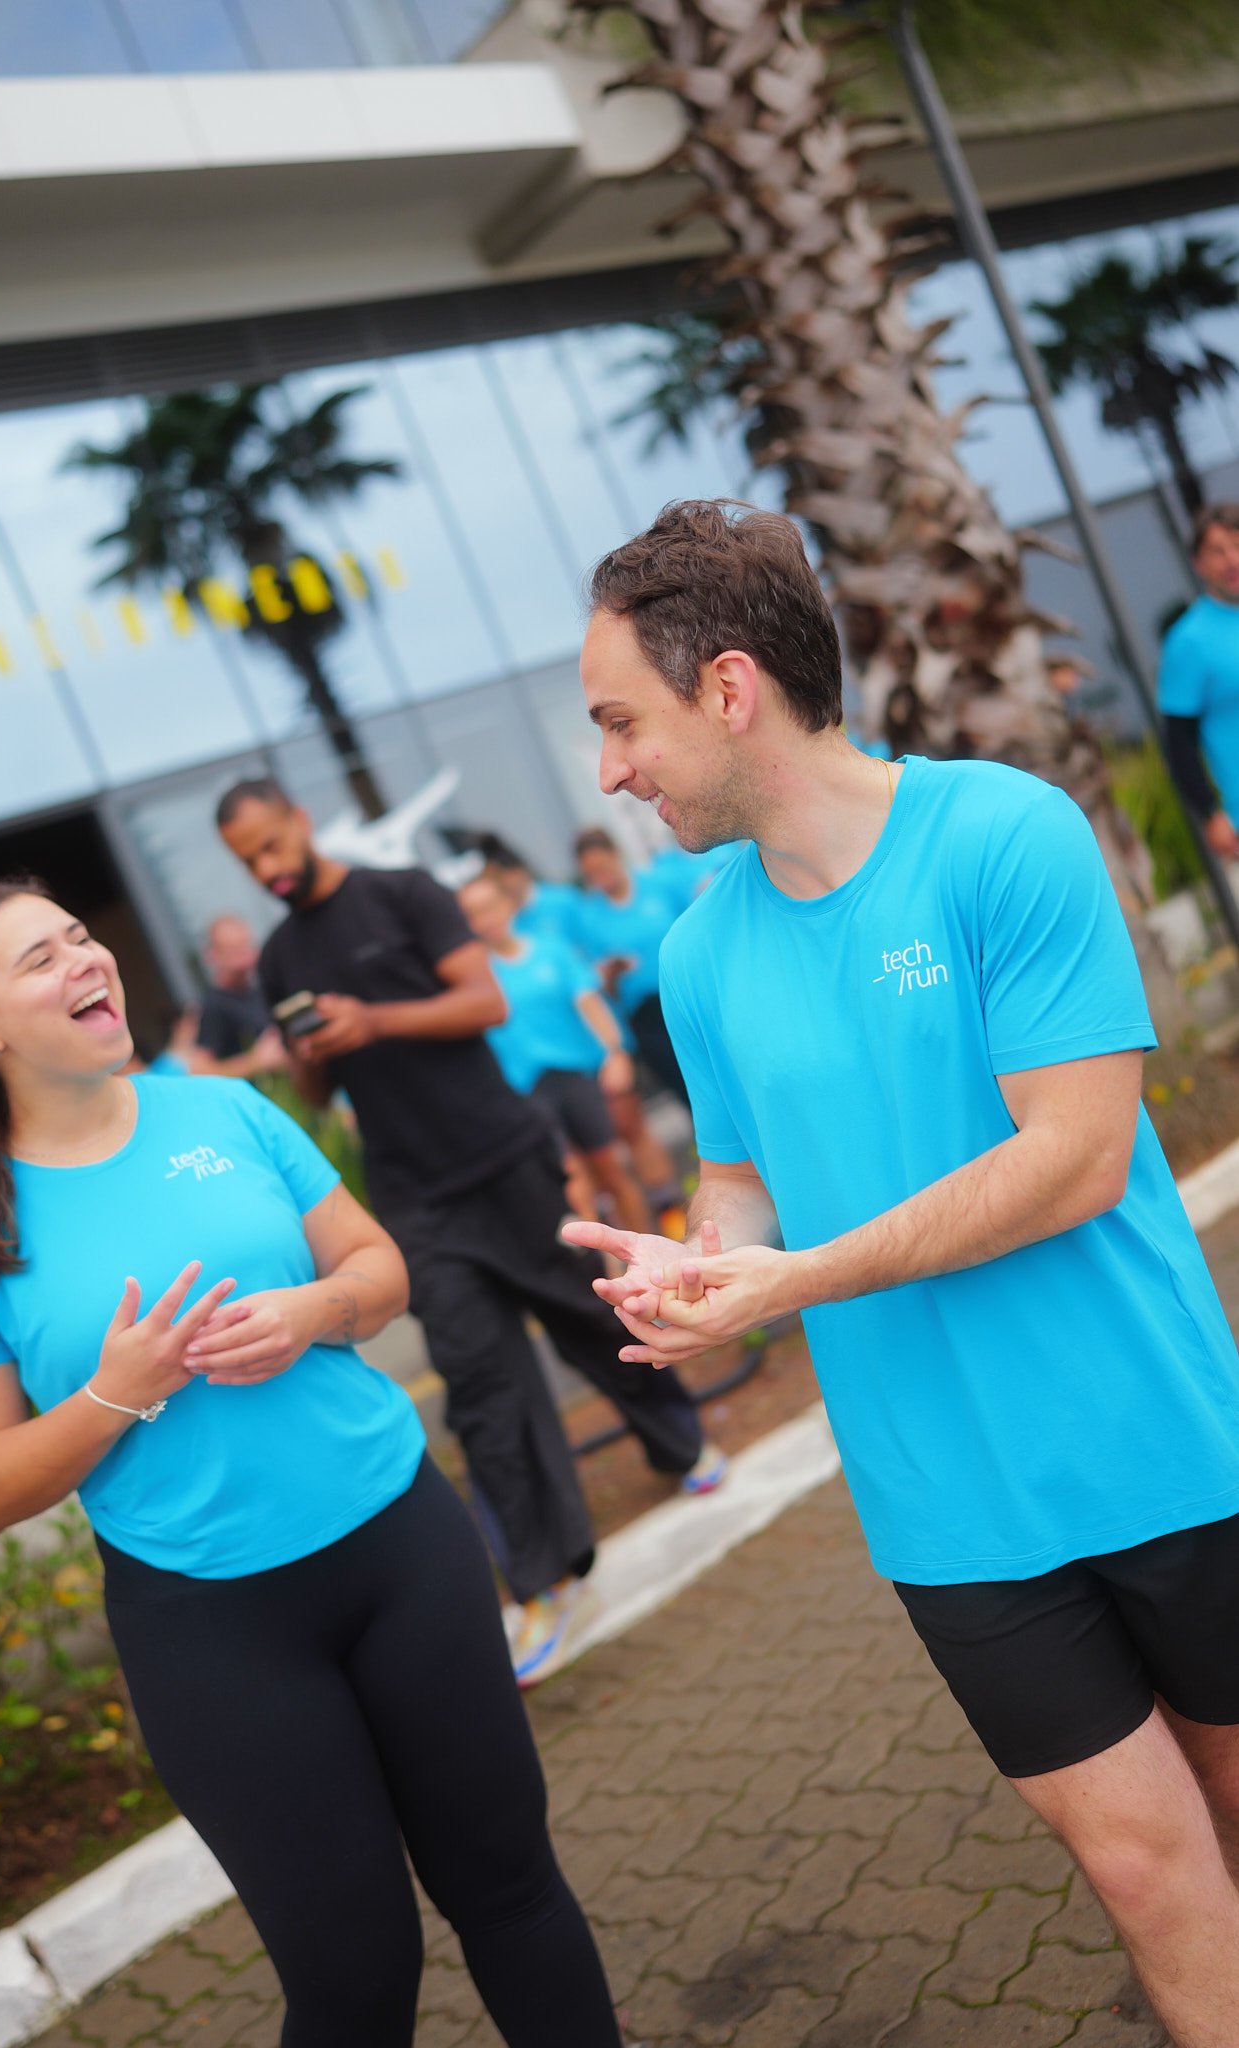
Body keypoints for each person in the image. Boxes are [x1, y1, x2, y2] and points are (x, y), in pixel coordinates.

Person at [568, 498, 1239, 2048]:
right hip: (943, 1506)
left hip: (1149, 1438)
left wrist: (795, 1279)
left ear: (727, 689)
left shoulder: (1002, 834)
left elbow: (1075, 1156)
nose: (611, 770)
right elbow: (739, 1183)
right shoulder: (697, 953)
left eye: (620, 721)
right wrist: (702, 1268)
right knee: (1138, 1866)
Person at [0, 879, 621, 2048]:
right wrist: (113, 1392)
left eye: (82, 936)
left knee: (510, 1887)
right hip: (211, 1627)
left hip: (403, 1549)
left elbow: (380, 1270)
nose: (86, 958)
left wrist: (313, 1310)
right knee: (354, 1975)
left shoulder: (225, 1110)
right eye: (41, 957)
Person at [214, 778, 721, 1685]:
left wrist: (371, 1019)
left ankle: (682, 1443)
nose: (266, 868)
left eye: (271, 844)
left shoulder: (402, 893)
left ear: (299, 820)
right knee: (479, 1381)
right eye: (247, 861)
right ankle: (543, 1578)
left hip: (503, 1157)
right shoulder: (282, 958)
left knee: (583, 1318)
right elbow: (321, 1091)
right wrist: (315, 1054)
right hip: (415, 1198)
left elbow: (484, 1003)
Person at [457, 869, 653, 1236]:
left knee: (612, 1171)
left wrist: (615, 1052)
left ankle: (644, 1250)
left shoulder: (551, 949)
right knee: (574, 1186)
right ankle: (603, 1268)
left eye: (490, 906)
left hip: (576, 1077)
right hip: (525, 1091)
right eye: (474, 914)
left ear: (508, 904)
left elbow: (589, 1002)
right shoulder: (474, 977)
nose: (486, 919)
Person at [570, 827, 696, 1105]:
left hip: (687, 997)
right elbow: (603, 988)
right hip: (647, 1016)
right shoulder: (589, 918)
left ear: (615, 855)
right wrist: (611, 972)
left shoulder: (657, 885)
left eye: (601, 866)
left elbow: (696, 931)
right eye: (591, 874)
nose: (600, 877)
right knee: (687, 1092)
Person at [1160, 502, 1239, 860]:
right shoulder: (1188, 640)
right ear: (1199, 564)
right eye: (1218, 551)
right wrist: (1210, 813)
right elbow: (1179, 741)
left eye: (1237, 545)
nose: (1232, 560)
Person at [196, 913, 287, 1080]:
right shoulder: (215, 1005)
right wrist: (255, 1062)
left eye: (244, 945)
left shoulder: (262, 989)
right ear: (212, 954)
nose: (241, 954)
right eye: (231, 949)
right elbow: (199, 1071)